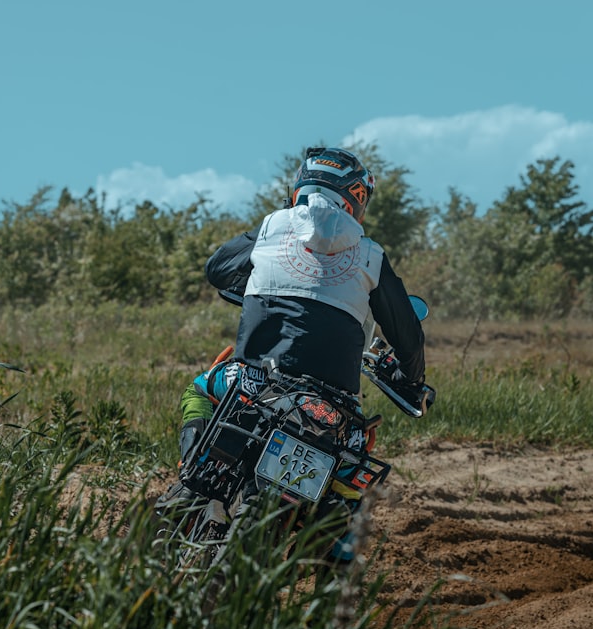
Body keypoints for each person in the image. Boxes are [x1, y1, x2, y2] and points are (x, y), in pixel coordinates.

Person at [175, 146, 427, 464]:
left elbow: (217, 269)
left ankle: (192, 473)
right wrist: (411, 378)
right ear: (358, 200)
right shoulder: (370, 255)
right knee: (352, 455)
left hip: (256, 384)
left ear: (298, 188)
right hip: (333, 409)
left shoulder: (272, 227)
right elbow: (409, 335)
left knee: (199, 390)